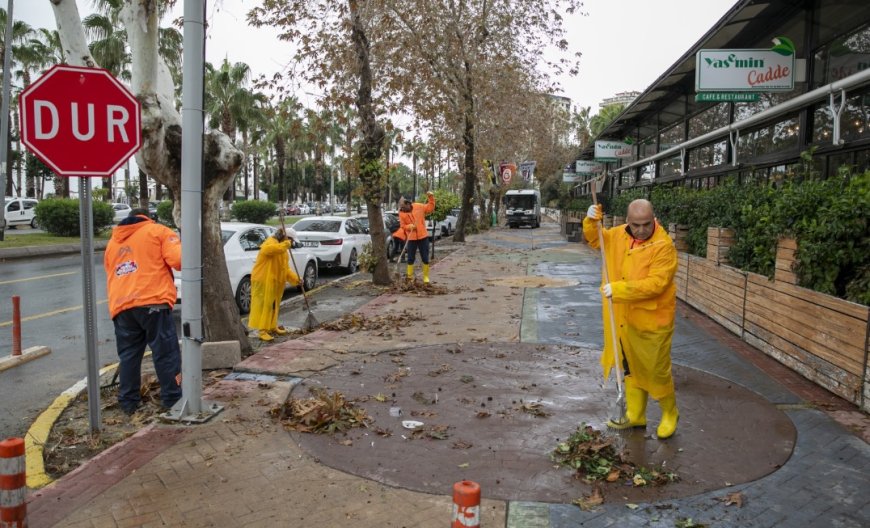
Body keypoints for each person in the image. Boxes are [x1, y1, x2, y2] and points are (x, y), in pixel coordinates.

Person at [582, 199, 680, 439]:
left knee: (656, 371)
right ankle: (636, 415)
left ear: (653, 219)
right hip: (623, 318)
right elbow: (596, 240)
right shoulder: (618, 236)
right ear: (628, 221)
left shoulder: (663, 246)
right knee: (630, 368)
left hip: (652, 322)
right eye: (636, 225)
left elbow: (656, 284)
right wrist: (591, 220)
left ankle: (670, 413)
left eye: (647, 224)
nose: (642, 230)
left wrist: (619, 290)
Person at [103, 208, 182, 415]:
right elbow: (179, 261)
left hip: (122, 306)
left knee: (129, 356)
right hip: (153, 301)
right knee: (165, 353)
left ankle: (128, 403)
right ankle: (172, 399)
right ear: (148, 218)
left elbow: (111, 271)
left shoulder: (113, 243)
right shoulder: (158, 231)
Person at [248, 227, 300, 341]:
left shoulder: (283, 251)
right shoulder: (271, 242)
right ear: (285, 237)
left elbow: (285, 269)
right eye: (290, 240)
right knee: (265, 305)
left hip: (274, 281)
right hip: (263, 280)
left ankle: (271, 326)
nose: (291, 243)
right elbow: (266, 250)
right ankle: (262, 330)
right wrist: (285, 245)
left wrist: (296, 279)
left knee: (274, 305)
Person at [398, 192, 435, 283]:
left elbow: (430, 208)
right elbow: (403, 226)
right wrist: (409, 226)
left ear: (408, 204)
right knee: (410, 258)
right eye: (401, 207)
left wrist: (431, 197)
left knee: (425, 258)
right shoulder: (401, 213)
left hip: (423, 237)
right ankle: (409, 277)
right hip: (411, 239)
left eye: (403, 206)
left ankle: (426, 277)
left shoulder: (419, 206)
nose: (401, 208)